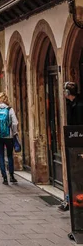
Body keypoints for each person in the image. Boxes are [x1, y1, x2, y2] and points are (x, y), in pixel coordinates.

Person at [59, 81, 83, 211]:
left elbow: (78, 127)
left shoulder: (78, 106)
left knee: (76, 174)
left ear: (68, 93)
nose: (63, 93)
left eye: (64, 91)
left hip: (77, 146)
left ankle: (72, 200)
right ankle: (70, 200)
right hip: (74, 146)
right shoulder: (72, 104)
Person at [0, 92, 19, 185]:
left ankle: (4, 177)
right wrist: (15, 133)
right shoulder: (10, 109)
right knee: (9, 155)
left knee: (0, 156)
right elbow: (15, 123)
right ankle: (11, 176)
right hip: (9, 136)